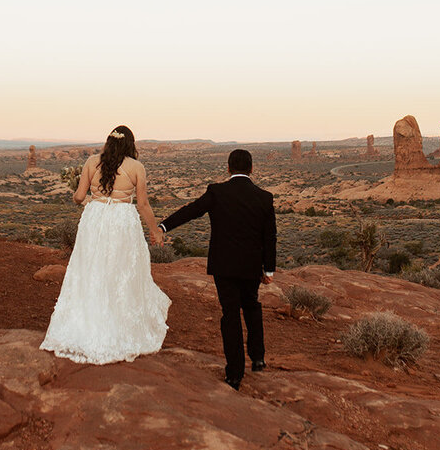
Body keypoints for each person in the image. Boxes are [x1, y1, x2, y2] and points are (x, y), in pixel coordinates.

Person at [40, 126, 170, 365]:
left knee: (90, 268)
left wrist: (91, 199)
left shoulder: (91, 162)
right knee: (120, 271)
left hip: (95, 218)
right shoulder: (136, 167)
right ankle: (119, 325)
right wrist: (155, 231)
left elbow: (78, 197)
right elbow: (143, 204)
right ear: (130, 144)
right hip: (121, 221)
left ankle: (87, 323)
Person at [158, 148, 276, 391]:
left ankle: (234, 374)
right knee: (252, 306)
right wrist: (269, 269)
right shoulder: (264, 197)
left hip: (224, 265)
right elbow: (270, 236)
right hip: (251, 266)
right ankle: (258, 358)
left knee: (230, 315)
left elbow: (191, 211)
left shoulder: (217, 192)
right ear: (251, 169)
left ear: (229, 168)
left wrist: (164, 226)